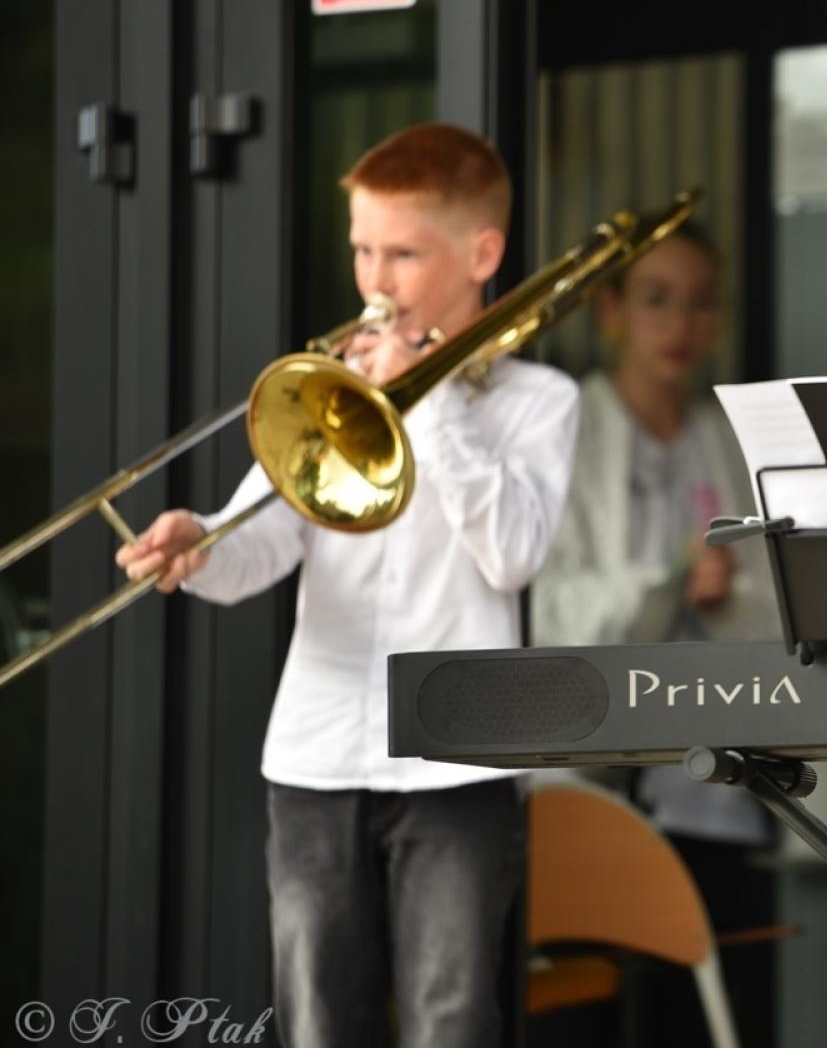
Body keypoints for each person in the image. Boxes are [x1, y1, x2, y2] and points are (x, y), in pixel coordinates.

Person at [115, 123, 580, 1048]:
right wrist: (200, 544)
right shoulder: (325, 389)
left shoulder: (542, 402)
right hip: (317, 756)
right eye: (364, 248)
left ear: (482, 253)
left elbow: (513, 556)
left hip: (462, 760)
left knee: (452, 1021)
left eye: (403, 253)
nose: (375, 280)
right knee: (320, 1022)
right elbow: (267, 541)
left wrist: (432, 399)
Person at [530, 220, 781, 1046]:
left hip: (709, 776)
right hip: (601, 773)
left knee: (703, 1009)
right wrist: (669, 575)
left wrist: (724, 591)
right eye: (656, 301)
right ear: (610, 311)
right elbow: (547, 607)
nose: (680, 327)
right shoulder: (568, 434)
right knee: (592, 1011)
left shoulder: (726, 437)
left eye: (701, 305)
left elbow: (778, 598)